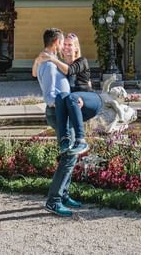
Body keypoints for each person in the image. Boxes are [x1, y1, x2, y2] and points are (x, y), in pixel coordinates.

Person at [34, 28, 82, 218]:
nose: (64, 47)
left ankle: (63, 194)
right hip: (59, 113)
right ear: (55, 43)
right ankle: (54, 200)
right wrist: (62, 105)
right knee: (69, 155)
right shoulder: (50, 66)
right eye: (62, 43)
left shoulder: (50, 63)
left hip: (62, 113)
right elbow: (50, 96)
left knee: (70, 154)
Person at [33, 32, 102, 158]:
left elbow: (70, 70)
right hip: (74, 103)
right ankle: (65, 141)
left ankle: (81, 141)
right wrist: (38, 60)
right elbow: (34, 73)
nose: (66, 47)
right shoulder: (60, 65)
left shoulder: (82, 61)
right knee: (62, 97)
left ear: (76, 48)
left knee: (70, 97)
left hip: (91, 100)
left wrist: (51, 58)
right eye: (64, 44)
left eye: (70, 44)